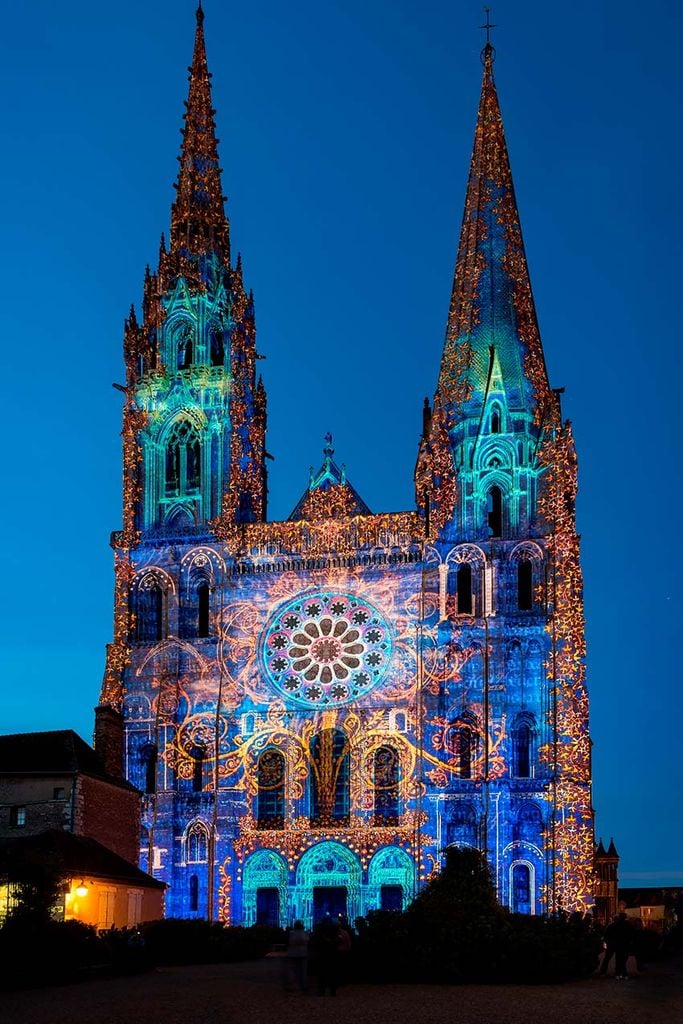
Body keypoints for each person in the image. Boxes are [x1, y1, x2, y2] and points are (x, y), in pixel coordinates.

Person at [599, 913, 632, 979]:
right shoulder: (628, 925)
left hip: (612, 944)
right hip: (622, 944)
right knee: (620, 959)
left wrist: (607, 941)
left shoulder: (612, 925)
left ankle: (604, 971)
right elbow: (630, 934)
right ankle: (620, 973)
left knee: (608, 958)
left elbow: (606, 935)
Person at [283, 920, 309, 993]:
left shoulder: (291, 933)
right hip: (303, 953)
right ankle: (303, 986)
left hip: (292, 953)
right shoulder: (305, 933)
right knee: (303, 971)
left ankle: (291, 986)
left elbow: (288, 942)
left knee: (292, 970)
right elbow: (307, 941)